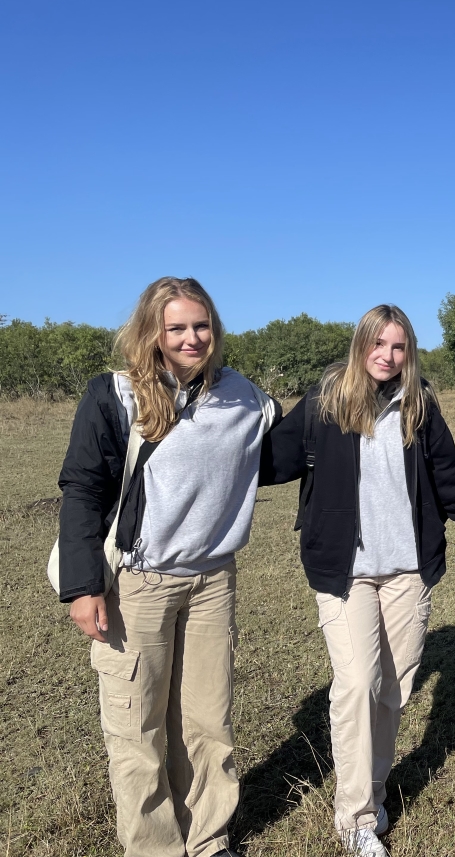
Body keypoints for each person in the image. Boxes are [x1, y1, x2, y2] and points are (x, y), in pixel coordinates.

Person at [58, 277, 279, 857]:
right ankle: (155, 848)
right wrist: (84, 586)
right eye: (176, 327)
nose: (191, 338)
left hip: (213, 583)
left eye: (200, 326)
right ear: (152, 331)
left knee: (209, 723)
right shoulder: (116, 394)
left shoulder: (244, 397)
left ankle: (210, 839)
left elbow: (288, 449)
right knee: (137, 731)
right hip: (138, 583)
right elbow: (82, 488)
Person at [259, 304, 455, 857]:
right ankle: (358, 817)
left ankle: (375, 792)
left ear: (409, 352)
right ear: (361, 344)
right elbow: (269, 463)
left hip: (408, 570)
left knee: (393, 688)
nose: (387, 357)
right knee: (357, 683)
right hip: (346, 572)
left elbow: (450, 479)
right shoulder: (325, 400)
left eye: (398, 347)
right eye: (378, 344)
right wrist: (241, 414)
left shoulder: (419, 404)